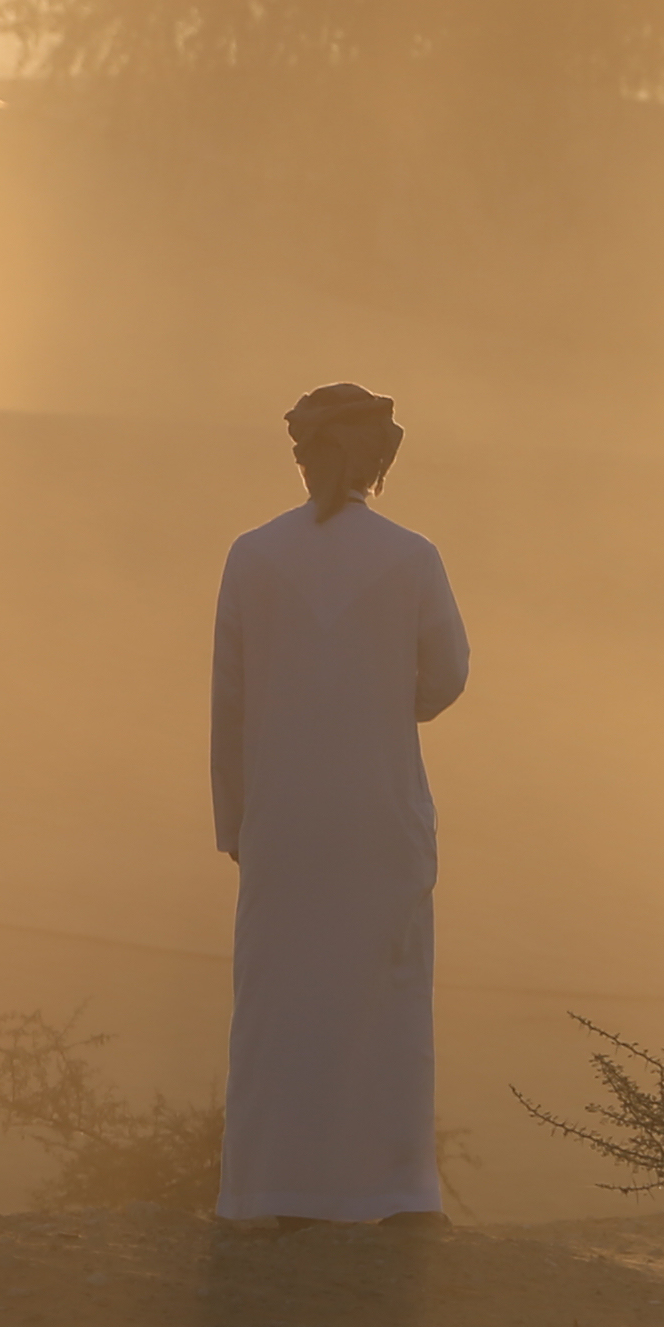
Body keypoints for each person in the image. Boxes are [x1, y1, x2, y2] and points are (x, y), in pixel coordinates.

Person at [209, 381, 471, 1225]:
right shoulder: (411, 556)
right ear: (376, 460)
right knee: (380, 1000)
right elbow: (446, 677)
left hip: (281, 824)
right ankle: (388, 1194)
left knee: (281, 1002)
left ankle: (268, 1190)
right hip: (378, 818)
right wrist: (379, 700)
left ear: (304, 454)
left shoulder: (252, 556)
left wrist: (240, 824)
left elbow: (230, 703)